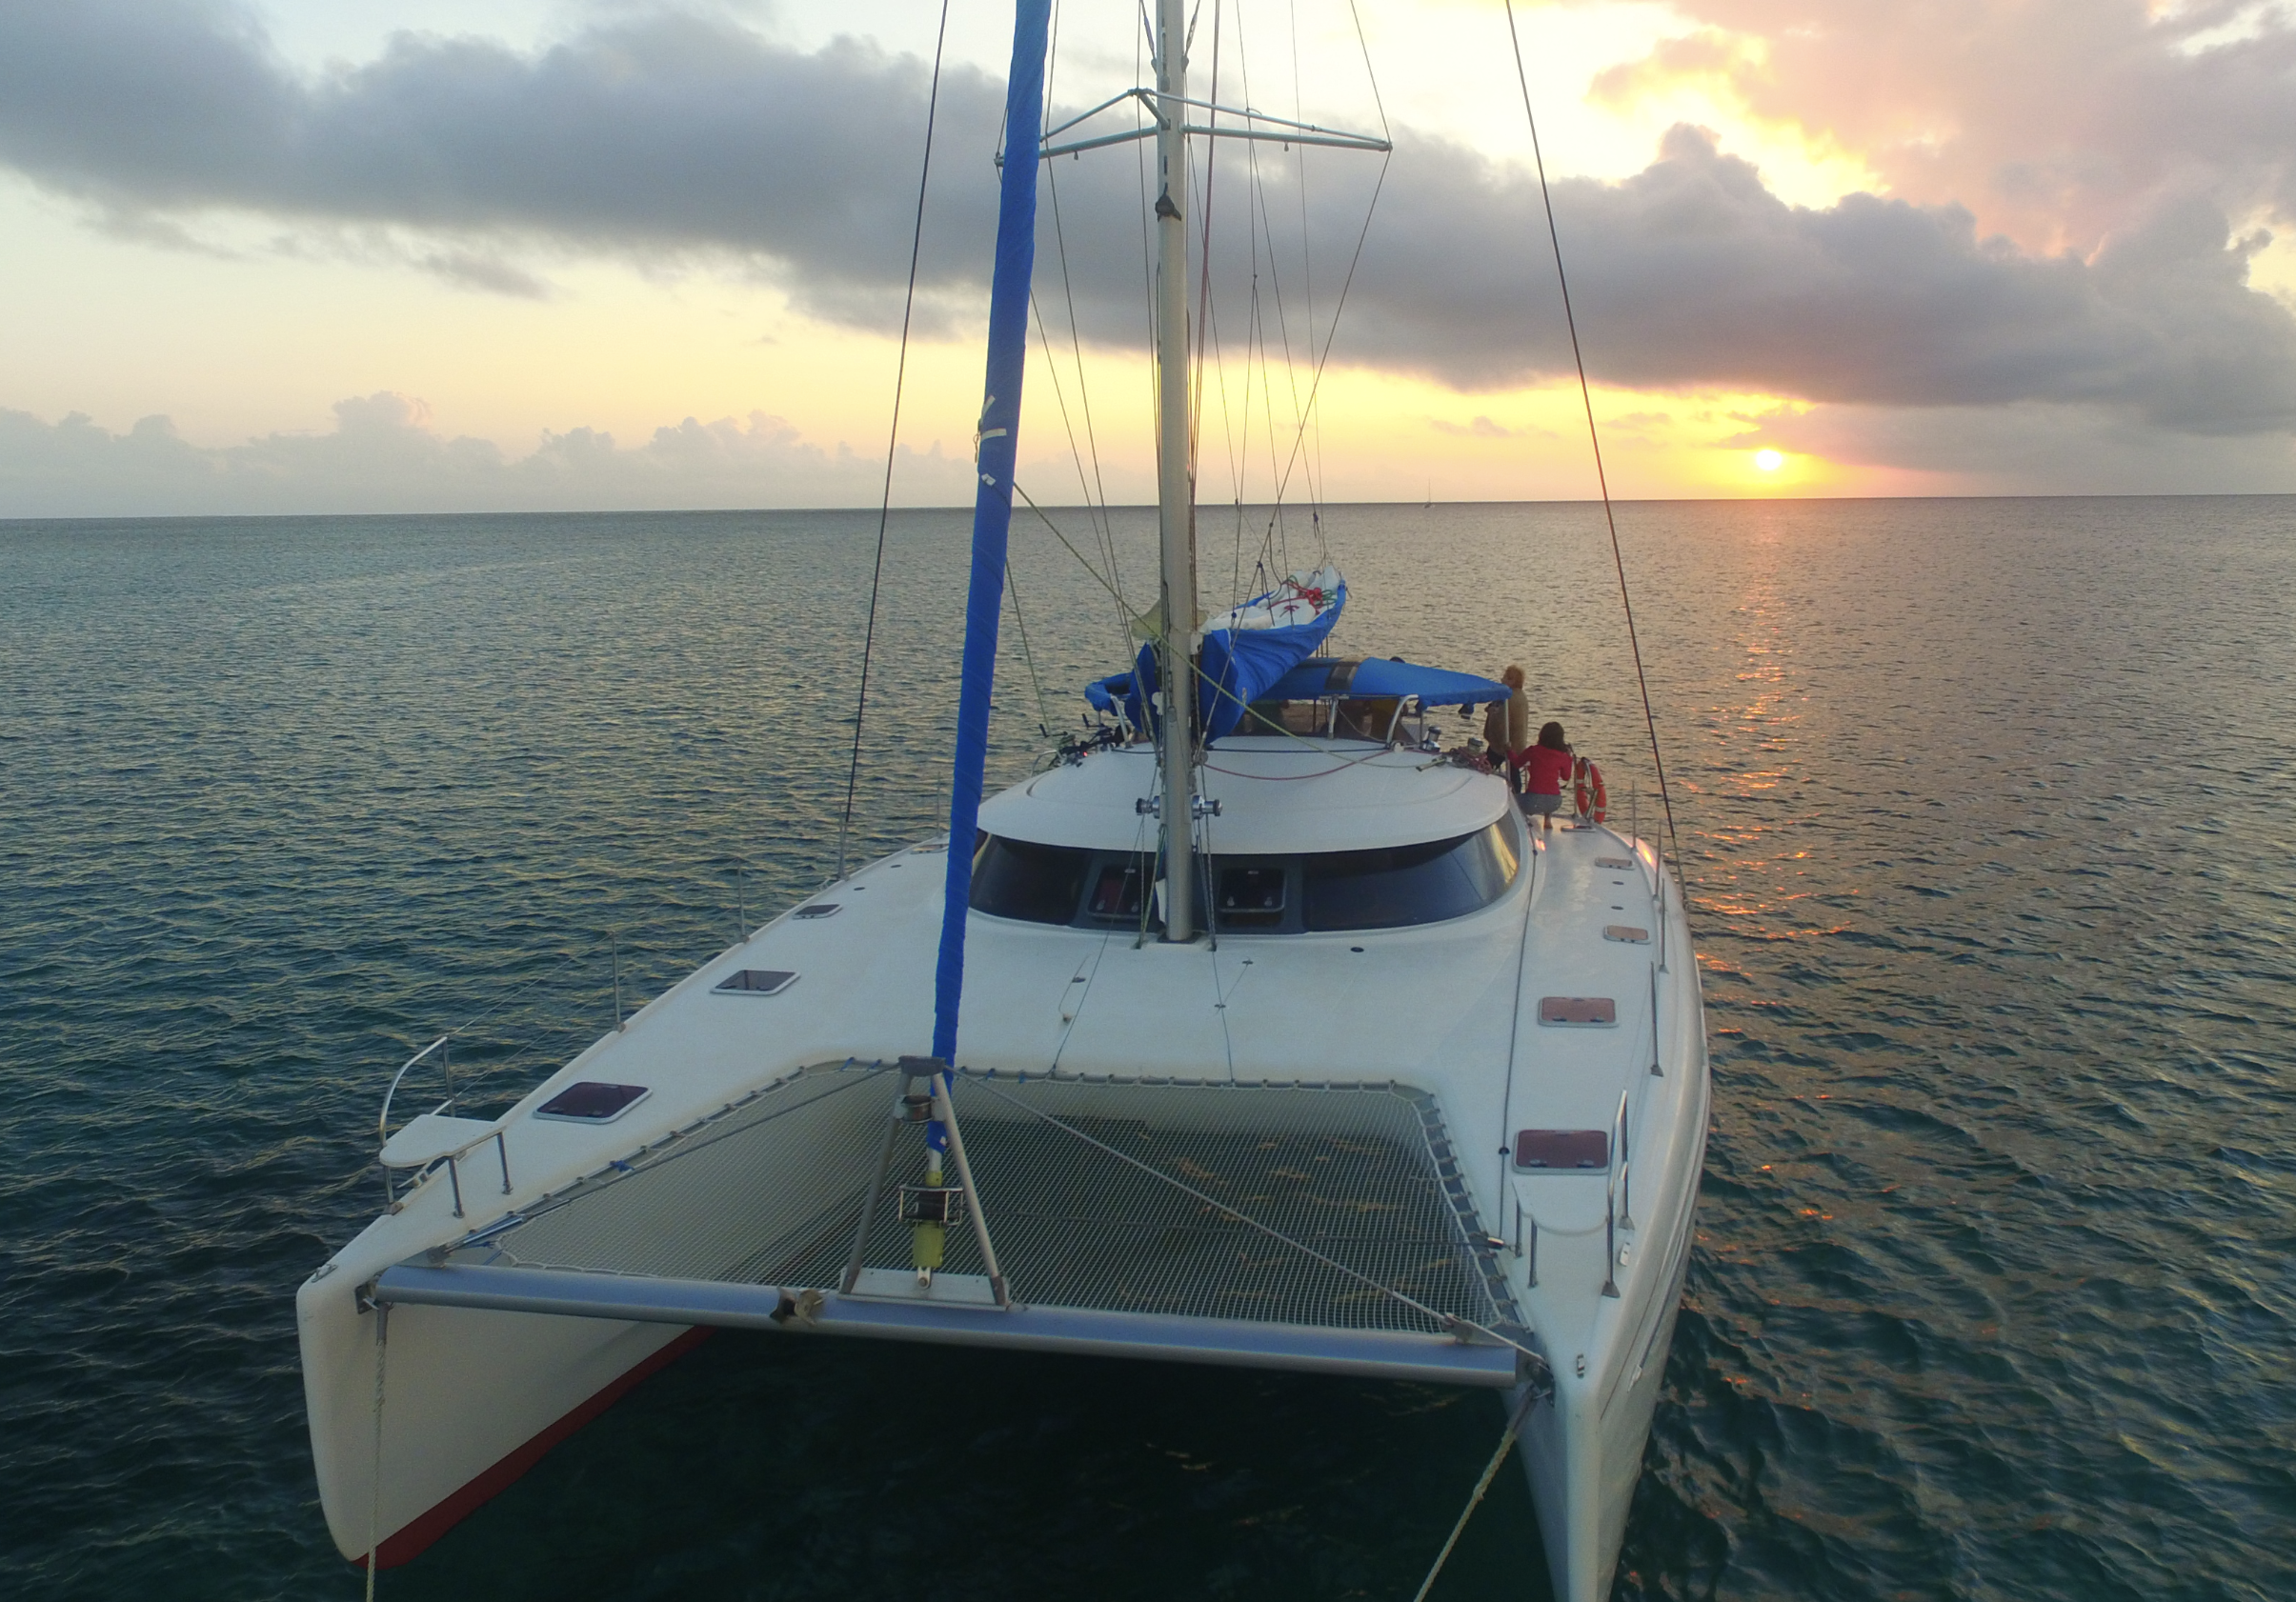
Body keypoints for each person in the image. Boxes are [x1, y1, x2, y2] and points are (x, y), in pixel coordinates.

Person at [1481, 665, 1532, 791]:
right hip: (1518, 745)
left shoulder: (1506, 698)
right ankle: (1516, 796)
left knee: (1485, 767)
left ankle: (1483, 789)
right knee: (1514, 773)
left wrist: (1492, 737)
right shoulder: (1522, 696)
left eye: (1505, 677)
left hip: (1503, 745)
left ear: (1512, 681)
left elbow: (1499, 723)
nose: (1502, 680)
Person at [1522, 720, 1573, 832]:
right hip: (1555, 802)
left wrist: (1509, 750)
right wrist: (1569, 758)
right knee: (1549, 788)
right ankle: (1547, 819)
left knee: (1512, 801)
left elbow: (1516, 763)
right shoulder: (1562, 756)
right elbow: (1566, 776)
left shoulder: (1533, 750)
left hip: (1532, 801)